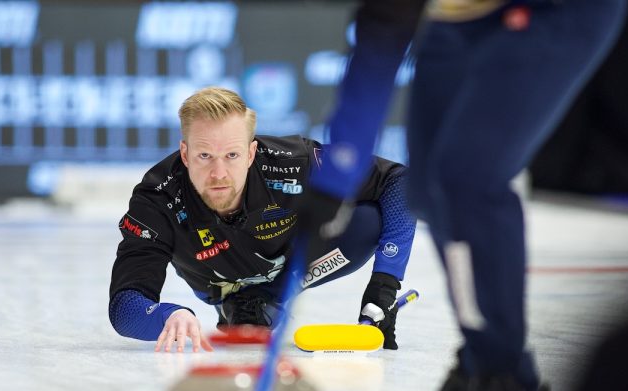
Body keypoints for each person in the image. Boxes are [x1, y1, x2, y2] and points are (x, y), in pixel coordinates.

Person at [313, 0, 628, 391]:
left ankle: (502, 376)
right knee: (427, 190)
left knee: (469, 178)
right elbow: (379, 39)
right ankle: (482, 359)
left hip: (553, 10)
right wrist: (337, 177)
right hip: (458, 18)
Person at [108, 86, 416, 353]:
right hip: (217, 281)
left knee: (367, 220)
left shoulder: (292, 164)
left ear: (252, 153)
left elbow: (398, 181)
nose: (219, 174)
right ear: (185, 155)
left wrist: (384, 284)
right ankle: (236, 303)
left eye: (232, 155)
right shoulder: (156, 200)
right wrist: (168, 316)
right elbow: (125, 304)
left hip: (288, 265)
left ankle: (274, 295)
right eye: (204, 156)